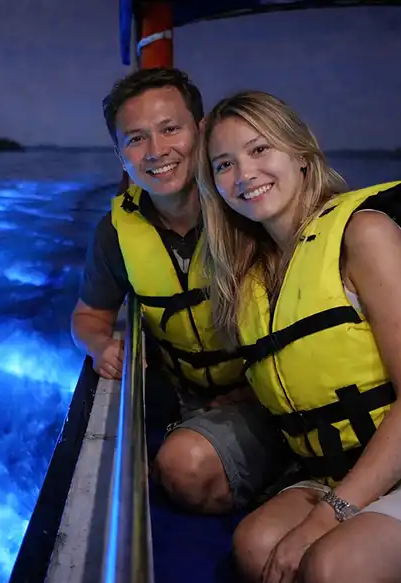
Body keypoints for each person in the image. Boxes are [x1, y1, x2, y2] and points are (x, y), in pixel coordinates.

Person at [197, 89, 401, 583]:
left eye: (260, 149)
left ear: (302, 154)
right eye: (224, 164)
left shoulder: (367, 233)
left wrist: (327, 519)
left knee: (336, 570)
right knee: (258, 548)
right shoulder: (250, 277)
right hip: (337, 470)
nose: (244, 173)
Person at [71, 67, 291, 514]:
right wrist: (99, 345)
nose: (157, 151)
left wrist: (255, 391)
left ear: (202, 129)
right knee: (172, 475)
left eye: (170, 128)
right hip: (192, 398)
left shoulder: (252, 203)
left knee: (179, 467)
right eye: (135, 139)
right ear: (121, 157)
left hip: (277, 391)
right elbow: (88, 317)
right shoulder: (116, 234)